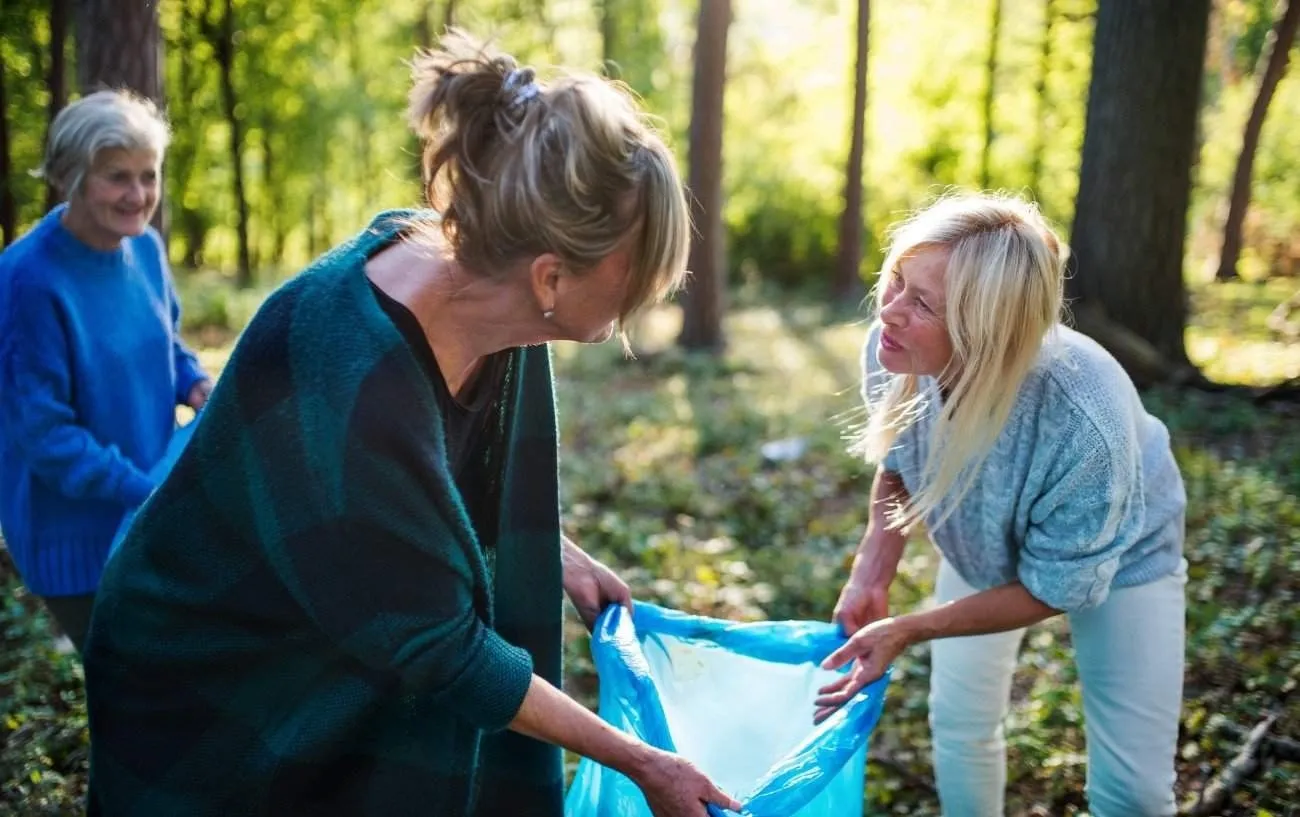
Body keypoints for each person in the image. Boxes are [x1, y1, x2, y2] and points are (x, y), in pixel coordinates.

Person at [82, 33, 740, 817]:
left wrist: (550, 550)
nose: (644, 300)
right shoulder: (353, 369)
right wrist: (643, 762)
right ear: (551, 277)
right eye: (634, 275)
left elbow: (425, 486)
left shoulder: (488, 288)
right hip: (214, 667)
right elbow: (445, 651)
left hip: (323, 621)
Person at [814, 193, 1187, 816]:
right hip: (978, 537)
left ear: (983, 331)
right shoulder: (895, 349)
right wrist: (872, 572)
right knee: (959, 725)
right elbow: (902, 461)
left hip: (1123, 560)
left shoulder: (1082, 413)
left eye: (923, 302)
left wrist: (912, 627)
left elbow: (1057, 584)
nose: (892, 312)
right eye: (897, 281)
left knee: (1134, 793)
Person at [0, 90, 211, 654]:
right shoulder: (27, 279)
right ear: (72, 175)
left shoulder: (144, 249)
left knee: (167, 673)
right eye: (118, 176)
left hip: (145, 506)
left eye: (149, 175)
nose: (138, 196)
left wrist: (195, 383)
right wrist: (149, 494)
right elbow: (47, 437)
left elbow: (164, 344)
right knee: (124, 688)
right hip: (75, 532)